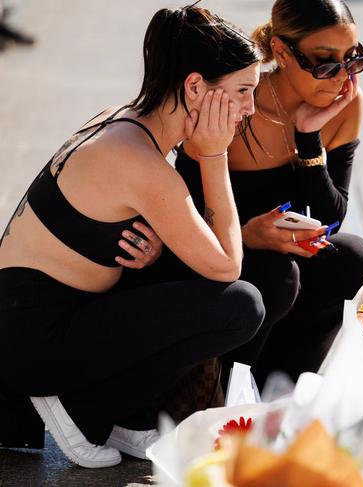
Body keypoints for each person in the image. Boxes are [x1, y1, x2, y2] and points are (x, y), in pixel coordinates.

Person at [0, 5, 264, 468]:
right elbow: (227, 265)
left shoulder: (127, 122)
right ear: (196, 86)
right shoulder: (137, 158)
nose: (250, 108)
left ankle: (129, 417)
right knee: (240, 306)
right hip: (32, 338)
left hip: (41, 317)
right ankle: (81, 412)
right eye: (243, 91)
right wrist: (215, 155)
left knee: (192, 270)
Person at [144, 0, 363, 391]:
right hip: (217, 261)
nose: (341, 78)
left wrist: (308, 138)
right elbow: (182, 219)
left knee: (356, 259)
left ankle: (281, 384)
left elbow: (331, 217)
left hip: (282, 266)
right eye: (324, 62)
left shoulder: (344, 106)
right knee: (277, 272)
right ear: (283, 53)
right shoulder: (236, 105)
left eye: (353, 60)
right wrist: (250, 236)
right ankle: (220, 388)